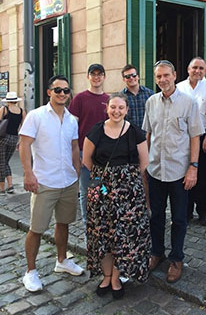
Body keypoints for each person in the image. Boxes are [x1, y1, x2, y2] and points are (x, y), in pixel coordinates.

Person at [82, 93, 150, 299]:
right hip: (101, 190)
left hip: (128, 193)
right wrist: (105, 185)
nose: (116, 111)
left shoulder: (135, 132)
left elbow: (144, 162)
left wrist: (125, 183)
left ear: (127, 110)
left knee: (124, 234)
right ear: (107, 108)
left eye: (121, 108)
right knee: (102, 233)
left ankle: (116, 277)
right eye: (113, 107)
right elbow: (86, 160)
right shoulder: (96, 131)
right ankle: (106, 274)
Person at [19, 75, 83, 292]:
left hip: (68, 180)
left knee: (63, 223)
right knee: (36, 228)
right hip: (44, 181)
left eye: (66, 90)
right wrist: (28, 174)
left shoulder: (72, 119)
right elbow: (24, 145)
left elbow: (74, 146)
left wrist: (77, 168)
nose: (62, 94)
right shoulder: (36, 116)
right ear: (49, 92)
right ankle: (30, 271)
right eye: (58, 90)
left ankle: (62, 260)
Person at [143, 60, 204, 283]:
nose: (162, 80)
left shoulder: (189, 103)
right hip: (156, 170)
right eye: (158, 76)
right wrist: (144, 167)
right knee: (156, 216)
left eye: (166, 75)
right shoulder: (151, 102)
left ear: (175, 75)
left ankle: (176, 258)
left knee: (179, 218)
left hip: (180, 172)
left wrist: (193, 167)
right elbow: (148, 135)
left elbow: (195, 136)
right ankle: (156, 252)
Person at [177, 57, 206, 225]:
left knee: (204, 176)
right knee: (184, 174)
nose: (198, 71)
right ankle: (186, 212)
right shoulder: (179, 87)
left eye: (201, 68)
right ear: (188, 69)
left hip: (204, 136)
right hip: (183, 138)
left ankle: (204, 211)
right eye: (195, 67)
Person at [69, 64, 109, 228]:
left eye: (100, 74)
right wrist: (73, 154)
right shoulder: (80, 98)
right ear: (88, 77)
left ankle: (104, 222)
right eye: (93, 74)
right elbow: (72, 127)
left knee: (104, 188)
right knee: (86, 191)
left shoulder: (108, 100)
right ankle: (88, 225)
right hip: (83, 154)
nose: (96, 77)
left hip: (104, 155)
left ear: (104, 77)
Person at [0, 92, 26, 194]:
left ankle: (2, 188)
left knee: (1, 163)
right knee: (5, 162)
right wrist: (20, 140)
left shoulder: (4, 109)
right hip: (14, 138)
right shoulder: (22, 111)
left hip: (3, 138)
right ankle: (10, 186)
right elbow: (24, 128)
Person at [121, 64, 153, 129]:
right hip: (129, 136)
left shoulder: (150, 94)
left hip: (147, 135)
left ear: (138, 76)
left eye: (134, 75)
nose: (131, 78)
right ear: (124, 79)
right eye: (127, 76)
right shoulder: (120, 97)